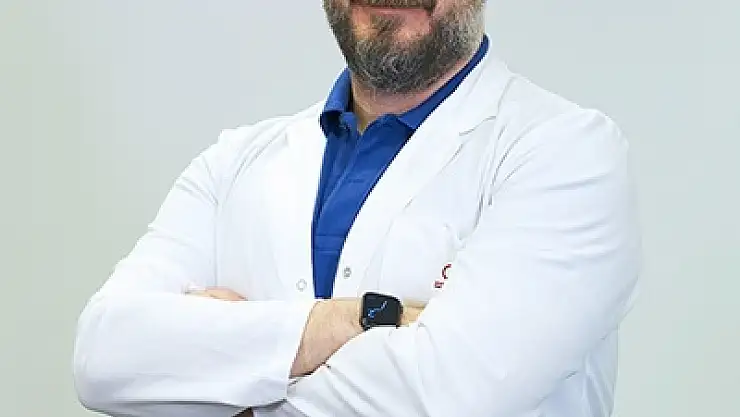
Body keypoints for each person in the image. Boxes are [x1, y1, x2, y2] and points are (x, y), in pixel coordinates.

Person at [72, 0, 641, 416]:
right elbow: (105, 357)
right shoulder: (233, 163)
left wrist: (220, 378)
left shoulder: (565, 151)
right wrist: (347, 322)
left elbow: (448, 396)